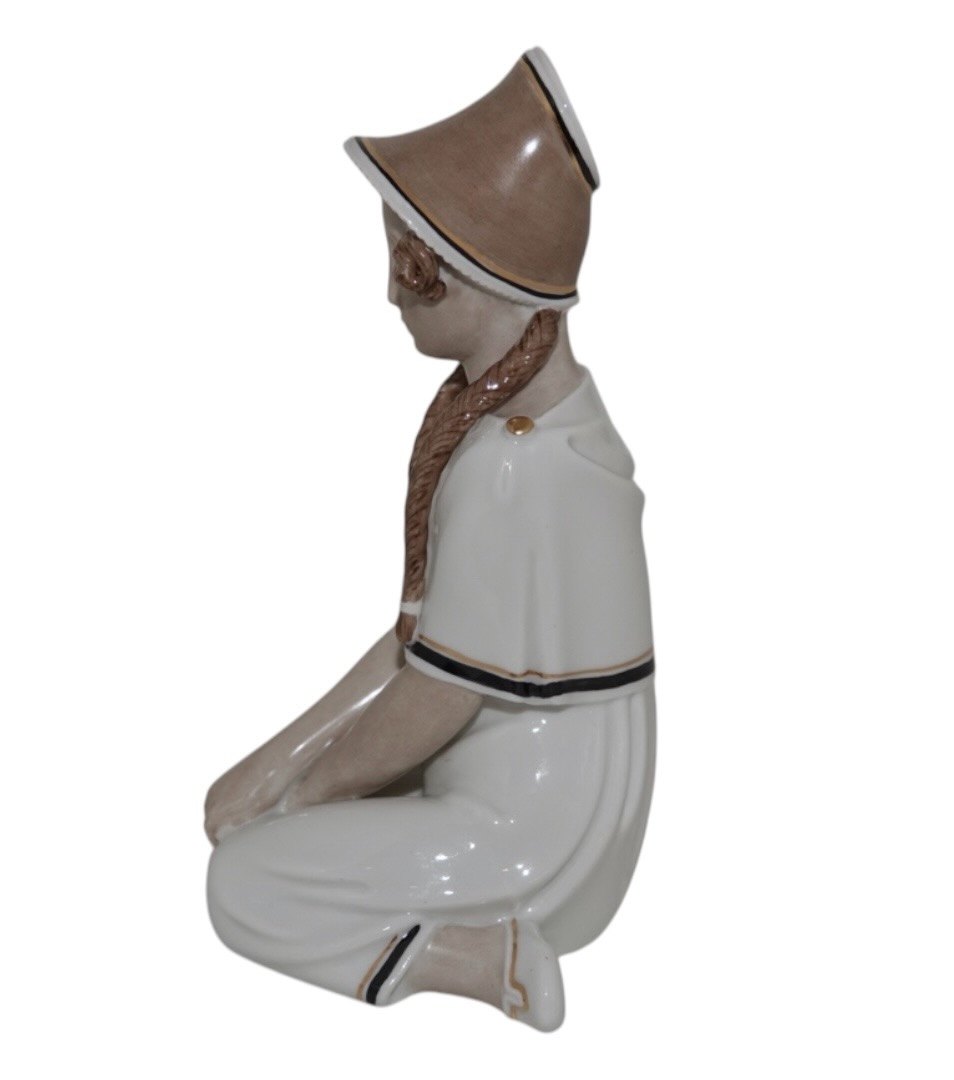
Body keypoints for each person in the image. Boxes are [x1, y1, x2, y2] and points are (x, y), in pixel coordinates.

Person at [204, 48, 656, 1032]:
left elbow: (439, 694)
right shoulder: (532, 422)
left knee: (243, 884)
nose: (392, 295)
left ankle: (485, 957)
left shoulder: (513, 465)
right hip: (514, 779)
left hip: (534, 830)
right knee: (248, 825)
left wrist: (302, 795)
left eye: (412, 269)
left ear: (477, 275)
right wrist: (273, 764)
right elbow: (419, 644)